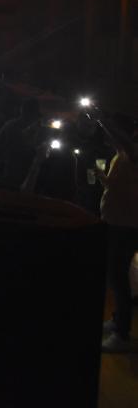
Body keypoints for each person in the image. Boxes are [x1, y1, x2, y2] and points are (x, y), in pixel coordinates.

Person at [95, 115, 138, 353]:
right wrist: (102, 177)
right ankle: (118, 319)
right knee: (115, 275)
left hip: (126, 225)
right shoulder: (122, 155)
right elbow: (116, 185)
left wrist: (102, 119)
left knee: (118, 277)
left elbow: (124, 141)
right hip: (115, 221)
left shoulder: (133, 152)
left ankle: (122, 333)